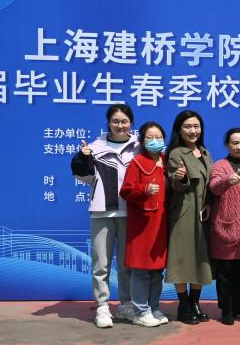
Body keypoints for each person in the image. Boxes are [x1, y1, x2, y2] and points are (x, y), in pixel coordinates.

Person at [70, 103, 139, 328]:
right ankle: (102, 306)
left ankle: (127, 305)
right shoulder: (94, 148)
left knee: (128, 264)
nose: (120, 125)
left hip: (131, 212)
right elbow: (83, 176)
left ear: (131, 123)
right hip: (102, 211)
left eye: (124, 121)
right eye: (115, 121)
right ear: (108, 123)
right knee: (102, 263)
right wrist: (82, 158)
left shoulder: (139, 148)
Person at [120, 121, 169, 327]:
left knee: (157, 270)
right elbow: (126, 191)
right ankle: (140, 310)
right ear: (141, 141)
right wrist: (144, 190)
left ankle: (154, 307)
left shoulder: (168, 162)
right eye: (150, 137)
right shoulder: (137, 163)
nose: (155, 141)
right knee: (141, 269)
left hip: (163, 223)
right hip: (143, 225)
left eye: (159, 137)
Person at [166, 110, 213, 325]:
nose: (193, 131)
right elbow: (175, 184)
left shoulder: (205, 153)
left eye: (196, 126)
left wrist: (210, 204)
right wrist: (179, 177)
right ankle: (183, 305)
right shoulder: (176, 153)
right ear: (179, 129)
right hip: (184, 213)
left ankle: (195, 302)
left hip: (203, 215)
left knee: (200, 259)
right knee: (182, 259)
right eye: (188, 126)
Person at [209, 127, 240, 325]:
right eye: (235, 143)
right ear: (227, 145)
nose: (239, 147)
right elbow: (214, 187)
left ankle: (239, 306)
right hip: (226, 227)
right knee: (224, 272)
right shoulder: (220, 166)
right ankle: (226, 309)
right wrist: (227, 181)